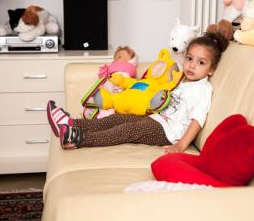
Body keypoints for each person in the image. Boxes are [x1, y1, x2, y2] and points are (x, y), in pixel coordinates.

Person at [47, 32, 229, 153]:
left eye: (201, 63)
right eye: (189, 59)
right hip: (155, 118)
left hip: (168, 132)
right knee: (117, 119)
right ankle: (69, 123)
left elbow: (198, 120)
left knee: (127, 130)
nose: (192, 65)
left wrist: (181, 145)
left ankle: (77, 138)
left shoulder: (203, 90)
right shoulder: (181, 80)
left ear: (211, 69)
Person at [82, 46, 137, 119]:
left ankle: (103, 115)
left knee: (111, 106)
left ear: (130, 61)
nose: (116, 59)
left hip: (115, 100)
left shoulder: (124, 74)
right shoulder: (110, 75)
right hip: (106, 97)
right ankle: (93, 111)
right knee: (95, 98)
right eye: (115, 57)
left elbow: (124, 89)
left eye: (119, 57)